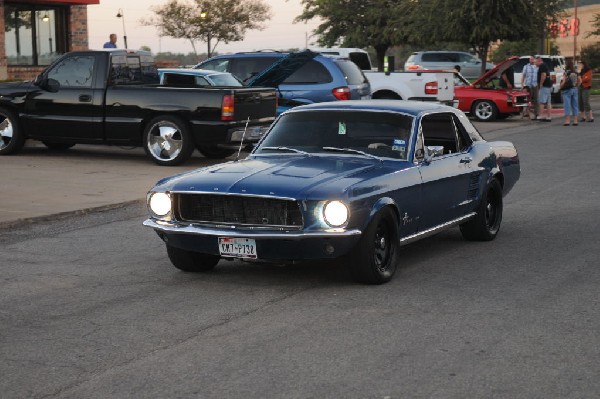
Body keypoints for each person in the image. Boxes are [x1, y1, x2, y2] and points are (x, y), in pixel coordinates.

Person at [560, 60, 581, 126]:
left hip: (567, 90)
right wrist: (576, 86)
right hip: (574, 89)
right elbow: (580, 81)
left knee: (567, 105)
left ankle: (567, 121)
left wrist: (560, 87)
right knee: (575, 105)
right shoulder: (576, 72)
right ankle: (575, 121)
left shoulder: (566, 72)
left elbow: (563, 81)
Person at [535, 56, 553, 121]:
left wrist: (541, 84)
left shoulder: (542, 66)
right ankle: (549, 116)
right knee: (548, 102)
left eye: (535, 62)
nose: (535, 64)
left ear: (539, 61)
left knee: (542, 101)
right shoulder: (546, 65)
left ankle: (540, 115)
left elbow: (543, 75)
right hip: (548, 85)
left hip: (544, 86)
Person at [521, 55, 538, 120]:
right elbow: (523, 76)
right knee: (528, 100)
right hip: (528, 85)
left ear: (535, 60)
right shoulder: (526, 67)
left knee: (536, 100)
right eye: (530, 59)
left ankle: (536, 113)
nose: (531, 60)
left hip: (535, 85)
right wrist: (522, 84)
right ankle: (528, 113)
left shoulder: (537, 67)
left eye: (532, 59)